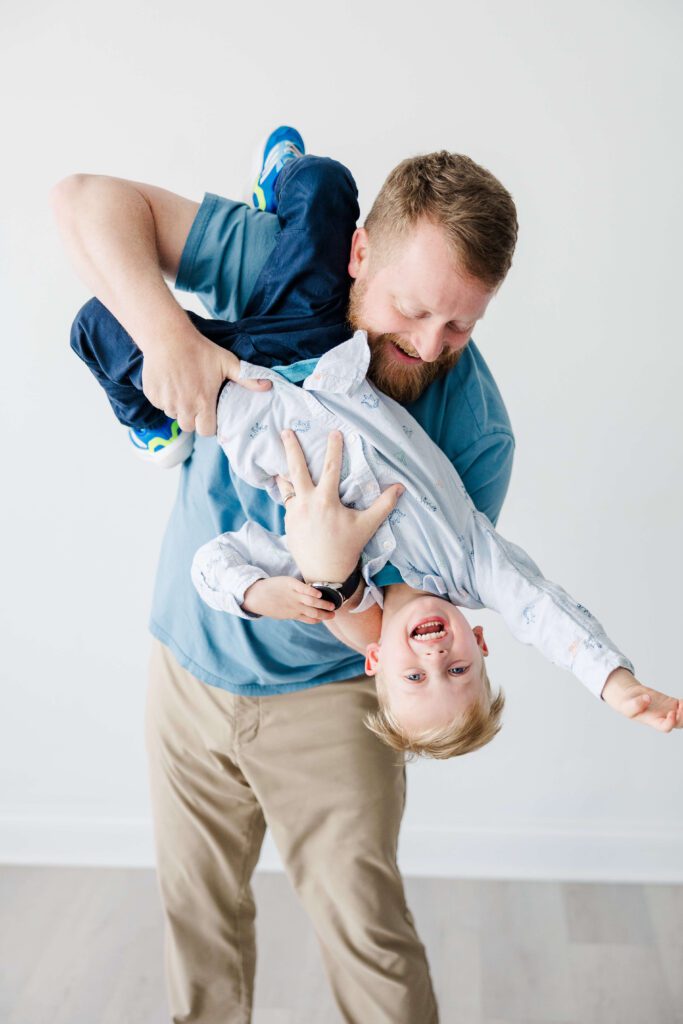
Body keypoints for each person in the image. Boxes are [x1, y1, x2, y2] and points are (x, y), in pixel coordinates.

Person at [52, 130, 520, 1023]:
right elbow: (82, 199)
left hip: (334, 707)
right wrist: (168, 341)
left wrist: (335, 582)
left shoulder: (475, 436)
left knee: (370, 945)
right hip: (186, 677)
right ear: (357, 253)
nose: (428, 344)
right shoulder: (283, 270)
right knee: (197, 928)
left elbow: (414, 633)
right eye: (412, 308)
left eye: (461, 322)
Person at [190, 335, 682, 756]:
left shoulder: (316, 591)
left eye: (415, 679)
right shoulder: (471, 563)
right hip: (319, 349)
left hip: (230, 392)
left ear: (376, 661)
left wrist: (255, 594)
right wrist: (614, 683)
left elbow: (213, 562)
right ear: (481, 642)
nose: (435, 657)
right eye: (459, 668)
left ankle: (148, 424)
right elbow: (542, 610)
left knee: (120, 343)